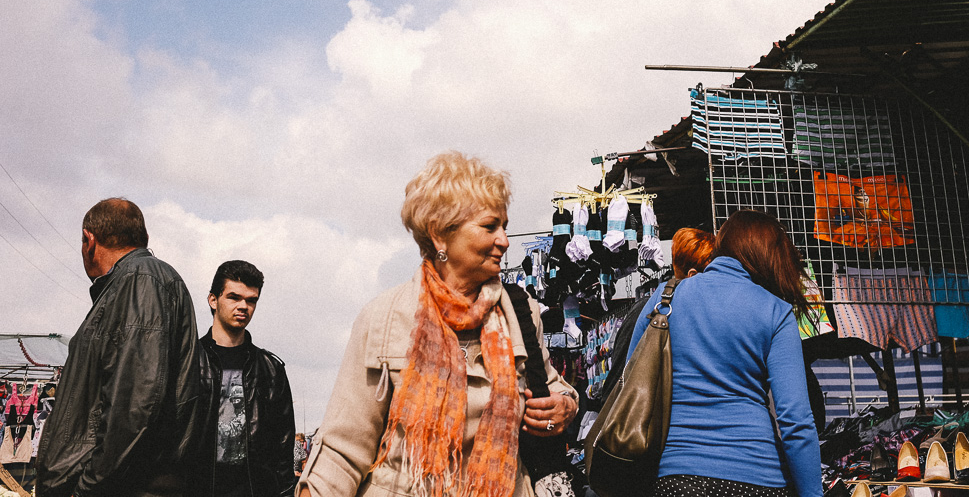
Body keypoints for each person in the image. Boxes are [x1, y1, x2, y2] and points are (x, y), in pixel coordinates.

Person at [298, 151, 578, 497]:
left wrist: (563, 407)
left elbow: (553, 389)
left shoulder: (520, 313)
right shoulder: (385, 319)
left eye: (505, 226)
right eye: (490, 226)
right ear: (440, 236)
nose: (504, 240)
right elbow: (344, 446)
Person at [625, 210, 821, 497]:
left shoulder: (666, 297)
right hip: (758, 478)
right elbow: (796, 421)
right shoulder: (776, 312)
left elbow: (632, 379)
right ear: (769, 256)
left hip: (677, 476)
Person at [37, 198, 202, 497]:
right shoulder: (137, 282)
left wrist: (86, 489)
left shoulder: (140, 280)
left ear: (89, 240)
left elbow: (135, 407)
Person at [195, 260, 297, 497]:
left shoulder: (271, 370)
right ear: (213, 300)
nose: (244, 306)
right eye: (234, 297)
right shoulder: (189, 363)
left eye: (251, 300)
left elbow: (283, 450)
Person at [601, 227, 717, 402]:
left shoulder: (650, 309)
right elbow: (620, 378)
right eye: (715, 272)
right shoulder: (650, 309)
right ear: (693, 275)